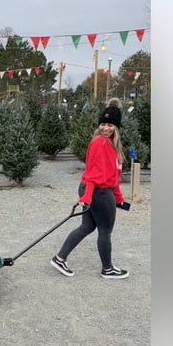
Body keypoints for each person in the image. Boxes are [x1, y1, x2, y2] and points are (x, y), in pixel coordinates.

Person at [51, 98, 131, 279]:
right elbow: (92, 174)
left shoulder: (113, 145)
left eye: (110, 125)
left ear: (116, 127)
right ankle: (108, 269)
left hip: (100, 191)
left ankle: (59, 258)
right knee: (105, 231)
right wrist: (86, 197)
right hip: (98, 192)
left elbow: (114, 177)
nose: (106, 128)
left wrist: (119, 200)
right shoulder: (100, 143)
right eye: (103, 124)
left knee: (87, 226)